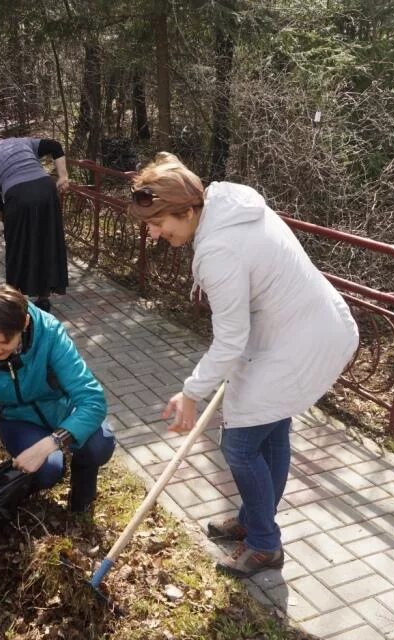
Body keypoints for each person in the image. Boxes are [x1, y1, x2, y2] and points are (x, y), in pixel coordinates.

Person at [126, 153, 359, 577]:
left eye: (160, 223)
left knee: (239, 445)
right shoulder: (228, 206)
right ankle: (256, 520)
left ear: (188, 209)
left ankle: (266, 545)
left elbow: (230, 338)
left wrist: (192, 392)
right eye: (150, 225)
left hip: (301, 342)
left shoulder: (219, 249)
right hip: (307, 329)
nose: (157, 233)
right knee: (268, 432)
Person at [0, 284, 114, 515]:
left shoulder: (49, 333)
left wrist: (49, 443)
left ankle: (82, 498)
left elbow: (93, 401)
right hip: (17, 419)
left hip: (61, 411)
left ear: (25, 324)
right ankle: (18, 501)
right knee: (49, 469)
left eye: (5, 343)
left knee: (99, 444)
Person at [0, 124, 69, 312]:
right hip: (46, 190)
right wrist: (63, 176)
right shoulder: (20, 142)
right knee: (46, 241)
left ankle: (16, 299)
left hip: (18, 197)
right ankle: (43, 298)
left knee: (18, 249)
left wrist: (4, 221)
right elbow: (55, 146)